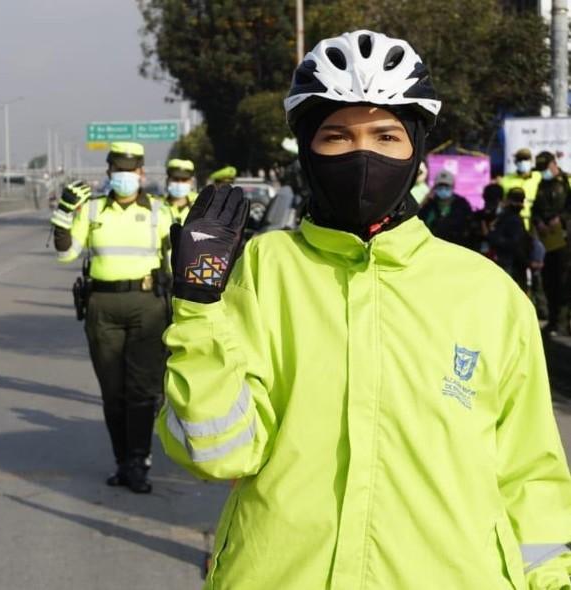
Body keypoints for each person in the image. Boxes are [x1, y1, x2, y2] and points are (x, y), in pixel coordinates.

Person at [158, 30, 571, 588]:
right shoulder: (261, 270)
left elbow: (530, 477)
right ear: (307, 149)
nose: (363, 155)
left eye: (386, 135)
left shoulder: (488, 294)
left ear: (416, 149)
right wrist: (198, 309)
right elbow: (212, 452)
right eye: (336, 136)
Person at [51, 141, 171, 494]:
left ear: (142, 174)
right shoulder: (90, 211)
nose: (125, 177)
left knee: (141, 391)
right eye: (118, 171)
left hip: (147, 304)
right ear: (108, 174)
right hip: (102, 306)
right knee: (112, 392)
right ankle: (123, 462)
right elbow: (66, 253)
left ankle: (139, 462)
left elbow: (178, 257)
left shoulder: (159, 212)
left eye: (130, 171)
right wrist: (62, 214)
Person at [533, 151, 570, 334]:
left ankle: (564, 323)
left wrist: (561, 219)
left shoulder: (567, 182)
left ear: (554, 164)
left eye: (545, 168)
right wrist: (539, 221)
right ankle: (553, 320)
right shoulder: (542, 184)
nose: (544, 173)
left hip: (566, 240)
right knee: (550, 281)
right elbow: (535, 209)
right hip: (548, 241)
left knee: (565, 281)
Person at [488, 187, 533, 290]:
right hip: (511, 264)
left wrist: (493, 237)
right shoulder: (505, 217)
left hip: (511, 264)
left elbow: (515, 243)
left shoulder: (511, 219)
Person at [418, 168, 473, 247]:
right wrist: (426, 199)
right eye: (440, 186)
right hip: (432, 246)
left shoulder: (462, 204)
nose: (443, 189)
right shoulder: (429, 204)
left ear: (452, 187)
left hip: (456, 246)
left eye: (446, 186)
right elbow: (420, 219)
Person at [500, 147, 543, 229]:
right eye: (520, 160)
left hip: (536, 222)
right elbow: (503, 201)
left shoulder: (538, 177)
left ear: (531, 161)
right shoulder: (506, 179)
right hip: (514, 222)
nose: (523, 162)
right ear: (515, 162)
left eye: (526, 159)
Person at [165, 158, 197, 224]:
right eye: (175, 179)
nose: (180, 183)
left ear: (191, 182)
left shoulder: (199, 207)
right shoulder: (156, 207)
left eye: (184, 180)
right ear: (167, 180)